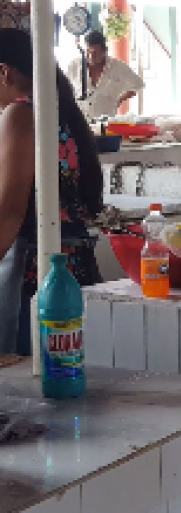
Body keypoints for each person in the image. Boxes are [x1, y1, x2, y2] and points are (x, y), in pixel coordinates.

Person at [0, 28, 103, 355]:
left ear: (3, 72)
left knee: (29, 382)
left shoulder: (20, 114)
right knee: (68, 373)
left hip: (34, 271)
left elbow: (10, 211)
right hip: (74, 265)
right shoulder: (59, 112)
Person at [66, 30, 144, 120]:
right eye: (87, 52)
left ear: (105, 51)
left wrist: (119, 100)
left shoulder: (118, 67)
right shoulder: (74, 65)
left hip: (106, 121)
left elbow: (138, 85)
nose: (90, 56)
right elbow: (63, 88)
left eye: (95, 53)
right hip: (79, 120)